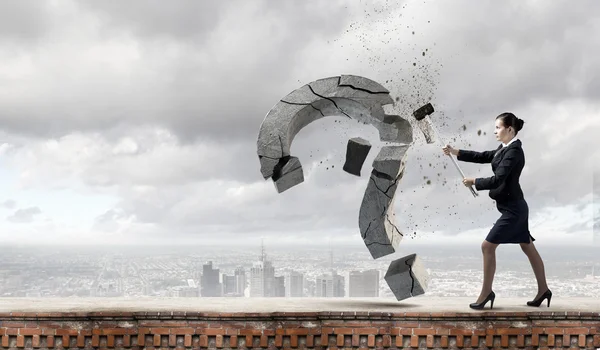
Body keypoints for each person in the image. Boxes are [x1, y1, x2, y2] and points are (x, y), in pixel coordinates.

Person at [442, 112, 551, 310]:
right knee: (527, 246)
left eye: (498, 128)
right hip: (513, 206)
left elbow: (498, 179)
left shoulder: (515, 152)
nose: (495, 131)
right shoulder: (505, 148)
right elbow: (484, 156)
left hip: (514, 210)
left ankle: (486, 293)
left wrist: (474, 181)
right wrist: (455, 151)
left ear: (510, 129)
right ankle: (544, 290)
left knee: (487, 246)